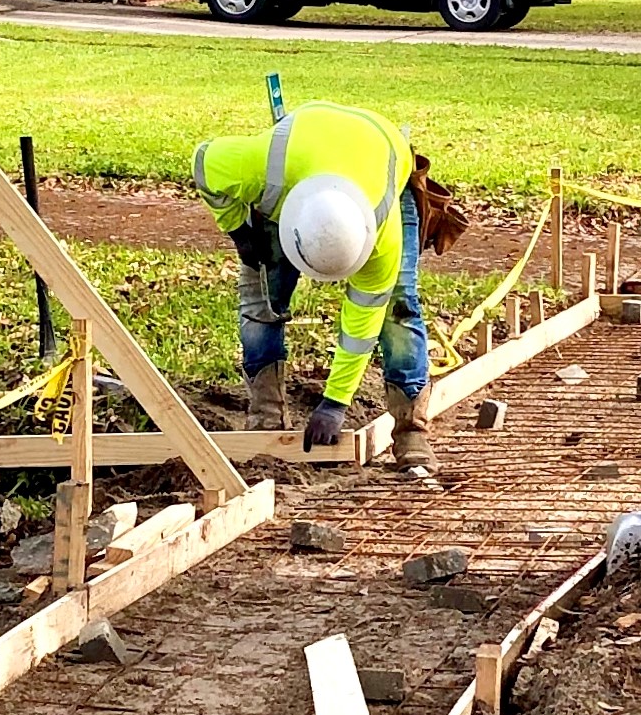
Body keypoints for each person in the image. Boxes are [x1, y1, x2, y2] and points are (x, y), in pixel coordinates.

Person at [191, 101, 459, 463]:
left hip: (382, 162)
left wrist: (335, 403)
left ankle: (412, 431)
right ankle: (266, 423)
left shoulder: (382, 232)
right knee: (262, 298)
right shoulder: (260, 168)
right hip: (297, 170)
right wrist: (238, 229)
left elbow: (361, 326)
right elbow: (203, 163)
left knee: (398, 309)